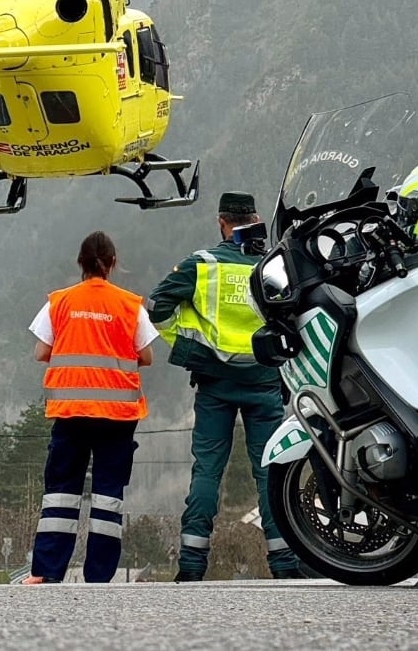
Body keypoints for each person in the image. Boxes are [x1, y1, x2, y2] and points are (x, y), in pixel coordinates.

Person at [148, 190, 304, 581]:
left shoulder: (200, 266)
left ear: (222, 222)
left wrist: (191, 348)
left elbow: (159, 308)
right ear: (254, 219)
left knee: (207, 473)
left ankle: (191, 566)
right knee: (271, 471)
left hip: (215, 384)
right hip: (265, 381)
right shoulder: (277, 267)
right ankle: (285, 565)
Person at [24, 230, 158, 584]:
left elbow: (41, 352)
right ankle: (99, 576)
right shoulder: (130, 305)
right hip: (117, 417)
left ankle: (46, 572)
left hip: (71, 413)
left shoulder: (59, 302)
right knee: (107, 495)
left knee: (61, 493)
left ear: (80, 264)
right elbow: (146, 355)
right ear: (113, 264)